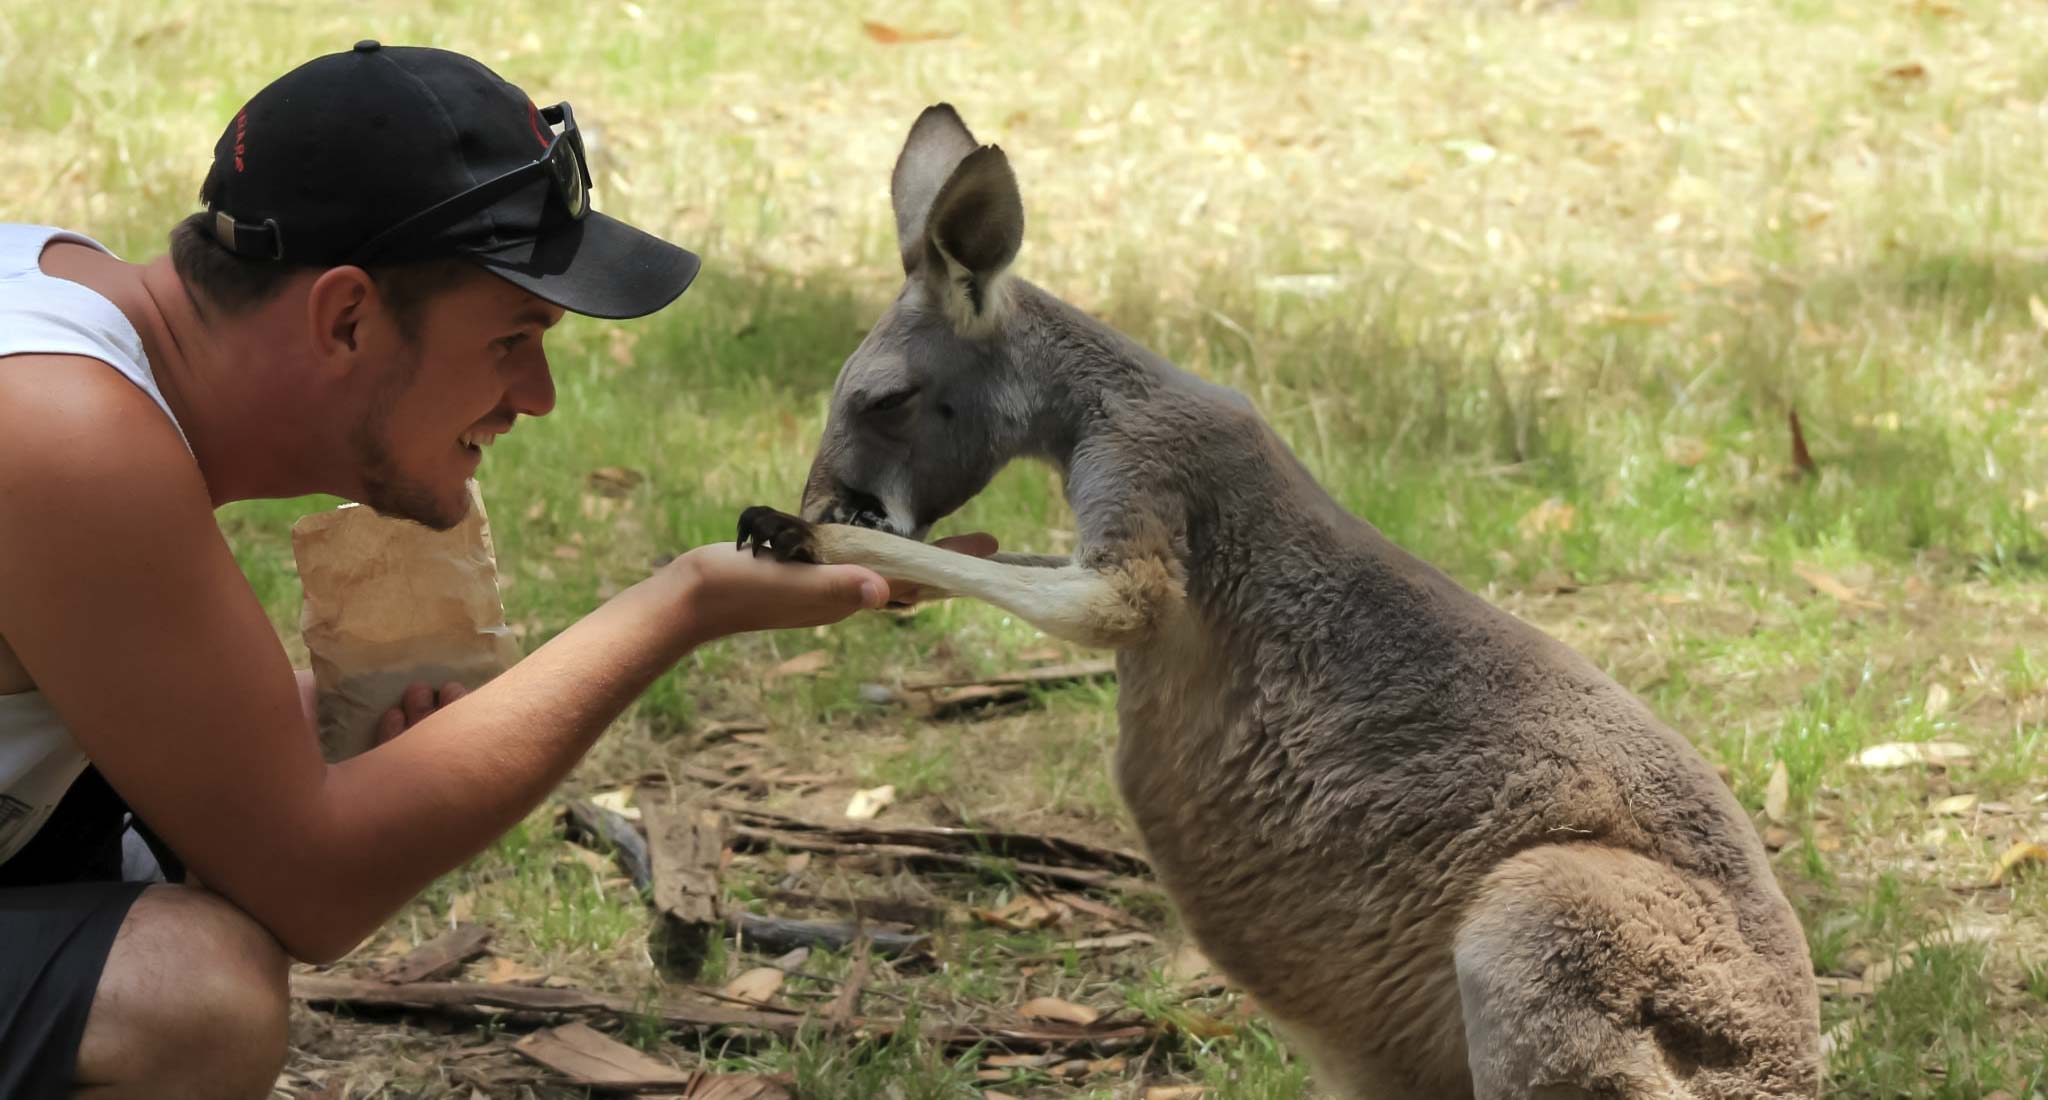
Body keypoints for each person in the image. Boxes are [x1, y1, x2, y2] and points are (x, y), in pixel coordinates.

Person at [0, 42, 990, 1100]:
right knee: (193, 994)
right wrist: (681, 603)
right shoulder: (65, 432)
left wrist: (329, 730)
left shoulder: (55, 298)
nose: (540, 393)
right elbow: (314, 886)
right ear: (344, 316)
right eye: (515, 335)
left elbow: (179, 732)